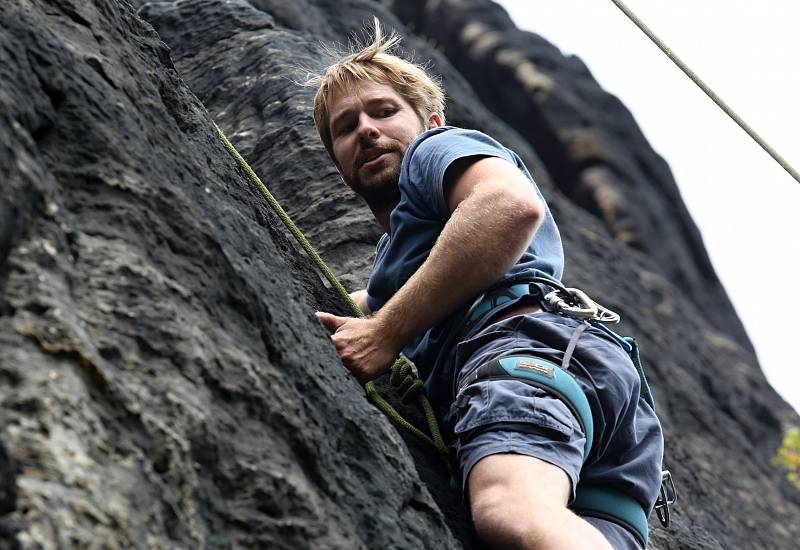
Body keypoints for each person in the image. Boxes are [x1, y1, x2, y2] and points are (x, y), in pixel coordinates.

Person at [310, 22, 664, 550]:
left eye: (384, 112)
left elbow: (508, 207)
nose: (365, 130)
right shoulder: (398, 261)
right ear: (338, 162)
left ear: (429, 121)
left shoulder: (437, 151)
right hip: (594, 393)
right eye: (345, 127)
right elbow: (363, 304)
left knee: (510, 512)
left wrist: (384, 333)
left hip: (527, 352)